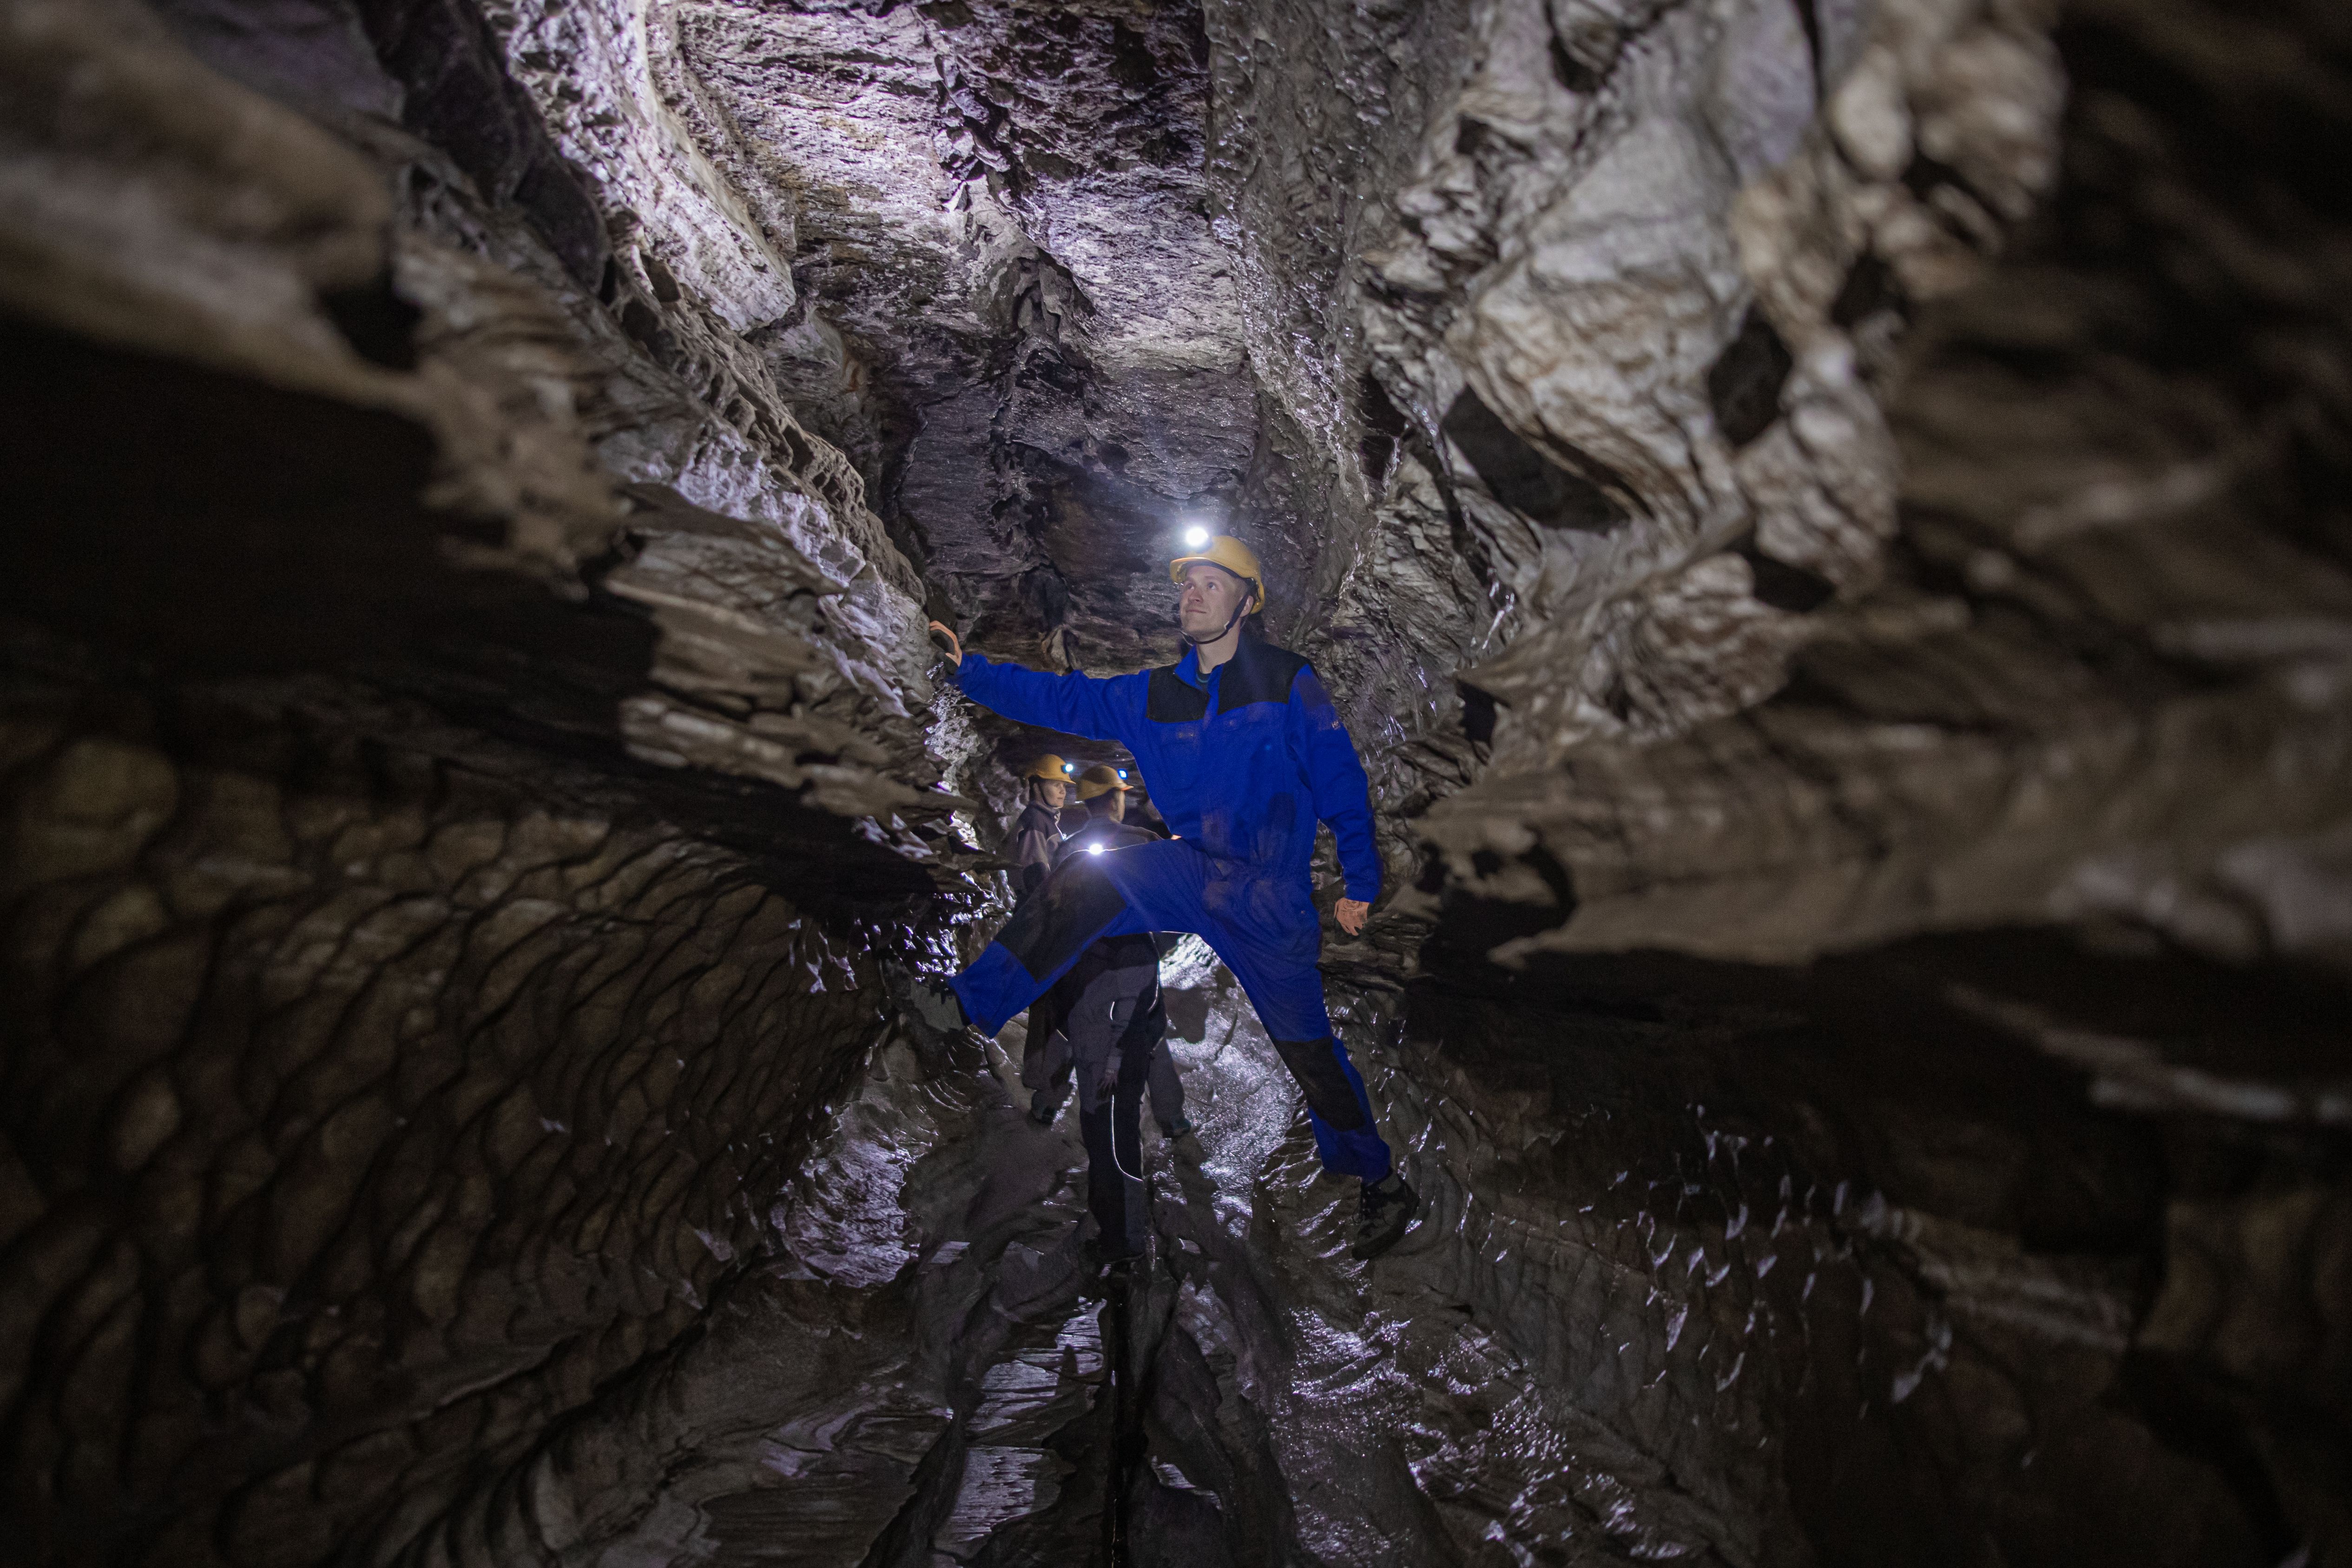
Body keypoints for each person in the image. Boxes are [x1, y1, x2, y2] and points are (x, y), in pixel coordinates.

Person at [900, 535, 1419, 1262]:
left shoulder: (1286, 680)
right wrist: (970, 673)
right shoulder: (1151, 696)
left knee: (1310, 1056)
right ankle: (970, 1000)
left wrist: (1361, 880)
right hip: (1193, 869)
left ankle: (1380, 1180)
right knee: (1089, 876)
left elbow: (1339, 779)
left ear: (1247, 601)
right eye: (1187, 583)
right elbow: (1065, 698)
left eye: (1212, 583)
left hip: (1269, 896)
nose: (1193, 594)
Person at [1027, 765, 1194, 1145]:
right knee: (1148, 1030)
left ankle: (1046, 1103)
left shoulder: (1068, 849)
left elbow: (1056, 906)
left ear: (1086, 803)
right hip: (1136, 955)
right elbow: (1171, 894)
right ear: (1116, 799)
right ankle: (1172, 1118)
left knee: (1071, 1027)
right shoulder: (1145, 840)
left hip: (1085, 956)